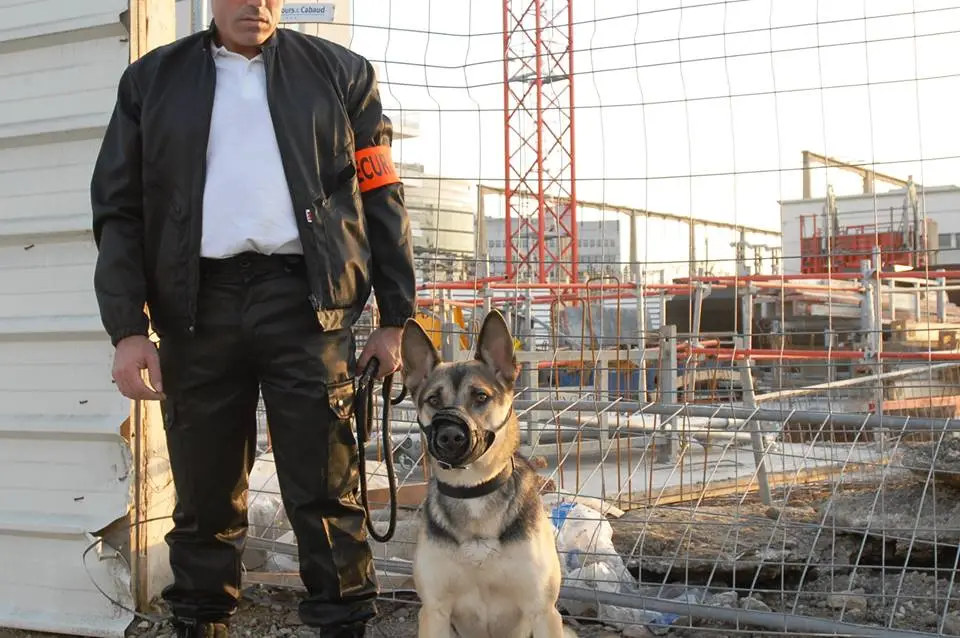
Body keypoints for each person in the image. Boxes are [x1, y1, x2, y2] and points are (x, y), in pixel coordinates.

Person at [90, 1, 416, 636]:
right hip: (195, 311)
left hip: (307, 309)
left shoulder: (341, 75)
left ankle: (343, 624)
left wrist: (394, 314)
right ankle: (202, 625)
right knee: (205, 500)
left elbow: (381, 193)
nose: (257, 4)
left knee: (327, 493)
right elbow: (118, 209)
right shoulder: (152, 81)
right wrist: (128, 328)